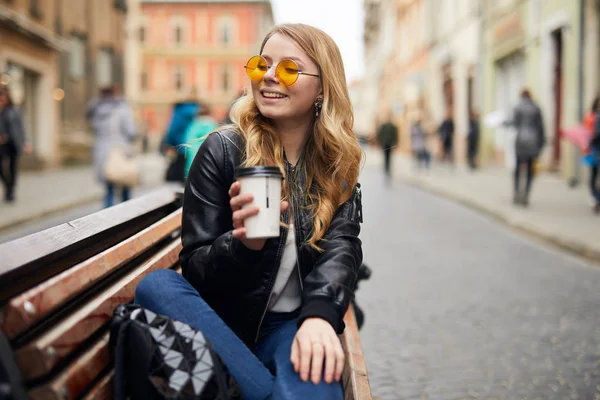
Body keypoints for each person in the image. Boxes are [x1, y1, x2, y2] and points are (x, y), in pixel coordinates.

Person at [134, 24, 363, 400]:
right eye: (262, 64)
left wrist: (320, 314)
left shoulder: (333, 163)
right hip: (218, 323)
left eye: (290, 68)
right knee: (157, 286)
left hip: (286, 325)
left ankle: (248, 386)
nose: (270, 76)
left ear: (323, 87)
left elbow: (342, 248)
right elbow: (195, 268)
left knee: (314, 379)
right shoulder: (222, 150)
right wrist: (245, 245)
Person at [87, 85, 137, 208]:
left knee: (109, 188)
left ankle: (108, 217)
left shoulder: (97, 111)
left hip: (102, 153)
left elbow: (94, 129)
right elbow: (131, 131)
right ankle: (127, 216)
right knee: (125, 185)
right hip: (120, 151)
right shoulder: (122, 110)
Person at [512, 89, 545, 207]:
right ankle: (526, 194)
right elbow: (541, 127)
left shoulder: (517, 107)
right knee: (530, 170)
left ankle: (516, 193)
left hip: (520, 140)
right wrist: (541, 144)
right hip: (533, 141)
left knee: (517, 168)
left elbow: (514, 124)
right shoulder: (536, 108)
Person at [0, 87, 30, 203]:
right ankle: (7, 186)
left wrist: (26, 142)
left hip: (13, 142)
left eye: (3, 97)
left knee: (12, 168)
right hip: (2, 143)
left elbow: (21, 127)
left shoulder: (14, 111)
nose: (2, 99)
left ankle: (11, 191)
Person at [162, 95, 200, 184]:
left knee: (179, 178)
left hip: (181, 148)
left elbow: (172, 130)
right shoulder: (198, 109)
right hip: (195, 149)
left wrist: (169, 143)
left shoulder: (179, 111)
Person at [183, 101, 218, 179]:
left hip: (193, 158)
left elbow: (187, 140)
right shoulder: (212, 124)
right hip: (209, 159)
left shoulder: (194, 124)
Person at [376, 113, 398, 180]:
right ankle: (387, 168)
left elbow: (395, 135)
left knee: (387, 157)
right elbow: (380, 134)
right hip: (387, 143)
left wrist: (394, 143)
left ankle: (387, 168)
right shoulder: (388, 126)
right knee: (387, 157)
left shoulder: (390, 126)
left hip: (388, 143)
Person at [588, 98, 600, 214]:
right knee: (594, 174)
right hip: (595, 150)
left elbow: (596, 134)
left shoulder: (596, 116)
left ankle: (596, 198)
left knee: (594, 175)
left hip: (596, 149)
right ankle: (596, 198)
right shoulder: (593, 116)